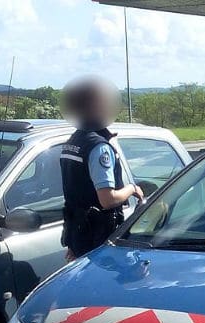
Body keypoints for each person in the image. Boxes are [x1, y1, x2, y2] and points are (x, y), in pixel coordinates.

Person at [60, 76, 144, 260]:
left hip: (79, 236)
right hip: (98, 238)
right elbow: (107, 200)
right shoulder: (98, 147)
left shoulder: (72, 143)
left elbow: (75, 196)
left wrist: (73, 242)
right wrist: (132, 189)